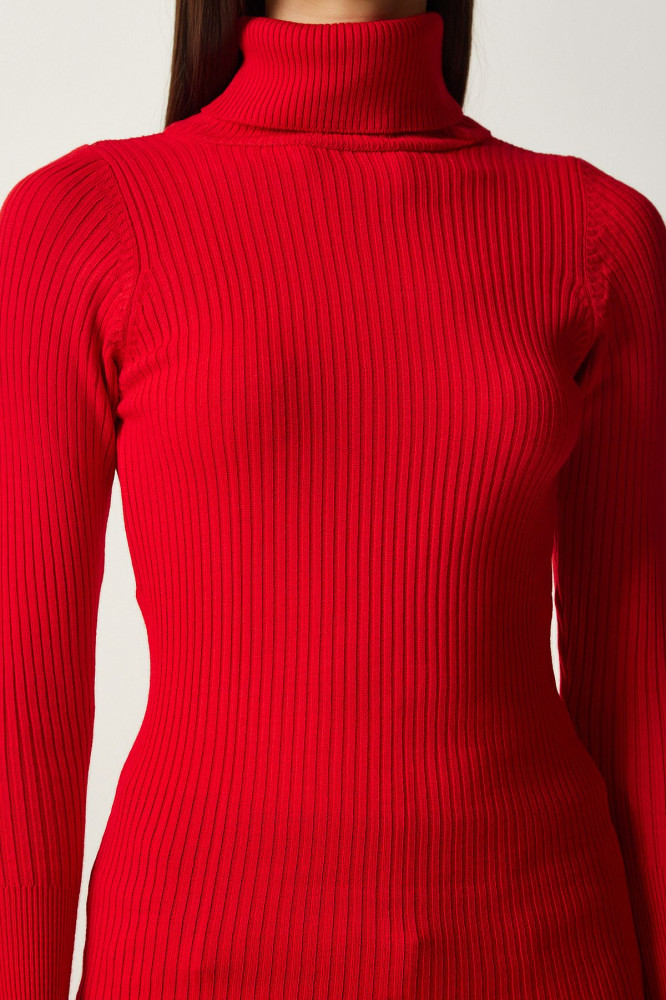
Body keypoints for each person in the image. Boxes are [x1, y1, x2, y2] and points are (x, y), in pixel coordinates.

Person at [0, 1, 664, 998]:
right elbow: (24, 711)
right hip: (194, 954)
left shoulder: (598, 237)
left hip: (545, 947)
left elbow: (641, 703)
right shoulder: (82, 220)